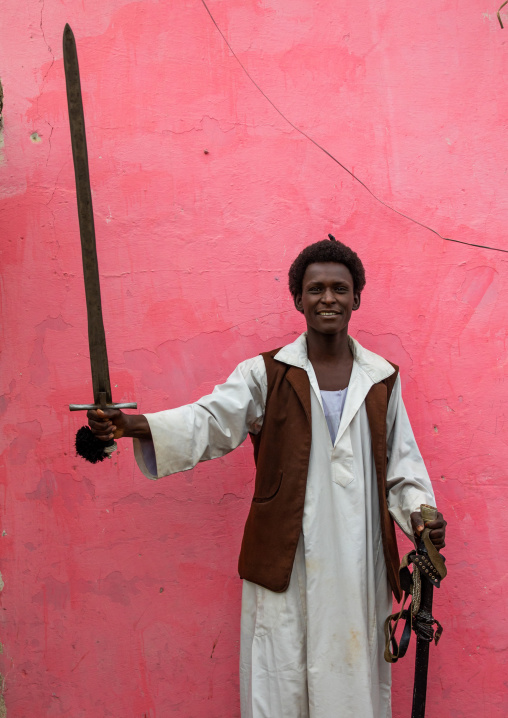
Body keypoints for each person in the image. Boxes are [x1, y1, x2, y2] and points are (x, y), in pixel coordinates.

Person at [87, 236, 447, 718]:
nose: (328, 299)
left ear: (357, 298)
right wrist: (137, 425)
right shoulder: (267, 373)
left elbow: (403, 468)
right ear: (297, 298)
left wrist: (421, 518)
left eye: (340, 289)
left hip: (358, 562)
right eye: (315, 289)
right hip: (285, 557)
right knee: (279, 679)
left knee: (351, 679)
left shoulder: (382, 379)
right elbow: (212, 420)